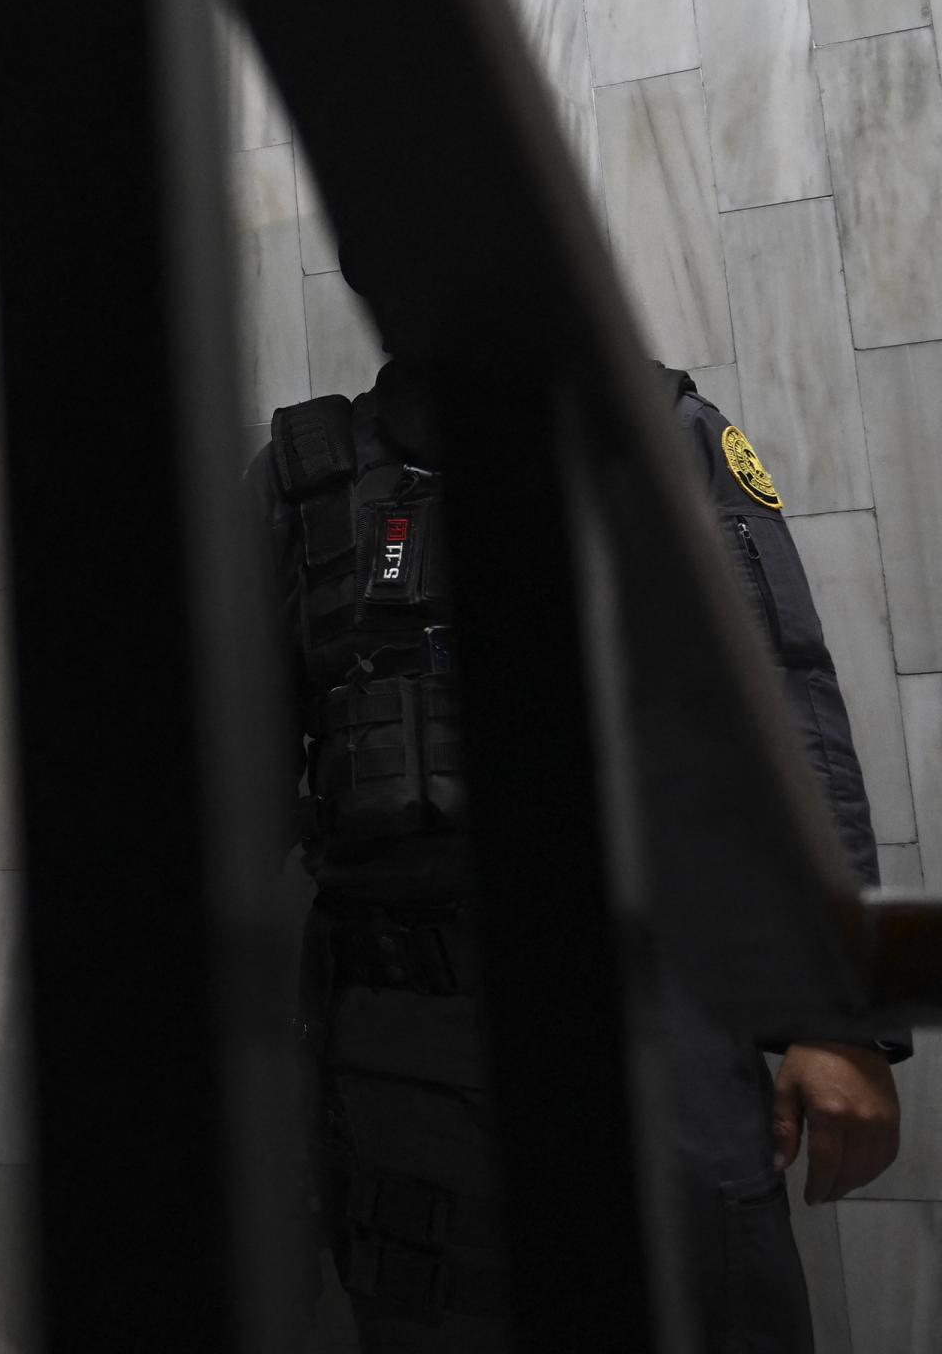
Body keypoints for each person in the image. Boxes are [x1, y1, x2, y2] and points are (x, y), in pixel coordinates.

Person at [260, 354, 903, 1351]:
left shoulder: (656, 430)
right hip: (405, 1083)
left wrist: (846, 1019)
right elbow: (230, 780)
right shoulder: (303, 476)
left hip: (660, 1040)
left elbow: (788, 709)